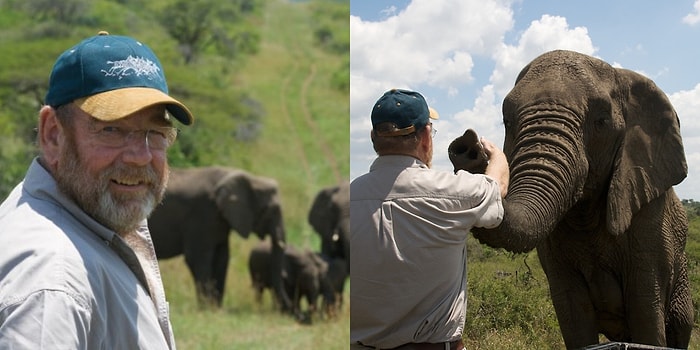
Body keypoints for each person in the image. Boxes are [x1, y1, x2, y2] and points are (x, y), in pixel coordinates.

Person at [0, 31, 194, 349]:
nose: (141, 156)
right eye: (111, 129)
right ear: (53, 135)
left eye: (156, 132)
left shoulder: (86, 229)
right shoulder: (52, 281)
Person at [350, 89, 510, 350]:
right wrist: (497, 155)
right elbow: (497, 189)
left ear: (372, 138)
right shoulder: (454, 192)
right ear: (425, 137)